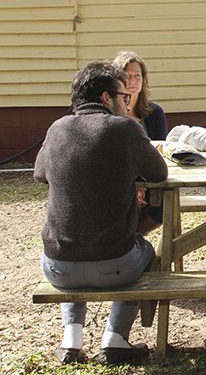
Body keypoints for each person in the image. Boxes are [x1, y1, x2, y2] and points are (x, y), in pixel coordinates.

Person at [35, 62, 168, 364]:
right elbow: (158, 173)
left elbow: (39, 174)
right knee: (147, 252)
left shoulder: (56, 128)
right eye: (125, 96)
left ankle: (71, 340)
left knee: (73, 243)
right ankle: (116, 339)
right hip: (116, 264)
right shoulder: (126, 129)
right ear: (107, 98)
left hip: (57, 266)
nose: (127, 102)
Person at [113, 50, 168, 234]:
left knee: (164, 205)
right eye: (127, 76)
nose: (133, 81)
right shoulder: (109, 113)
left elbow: (160, 151)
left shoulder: (155, 113)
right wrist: (134, 185)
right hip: (118, 180)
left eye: (137, 76)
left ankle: (133, 238)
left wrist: (143, 185)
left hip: (151, 177)